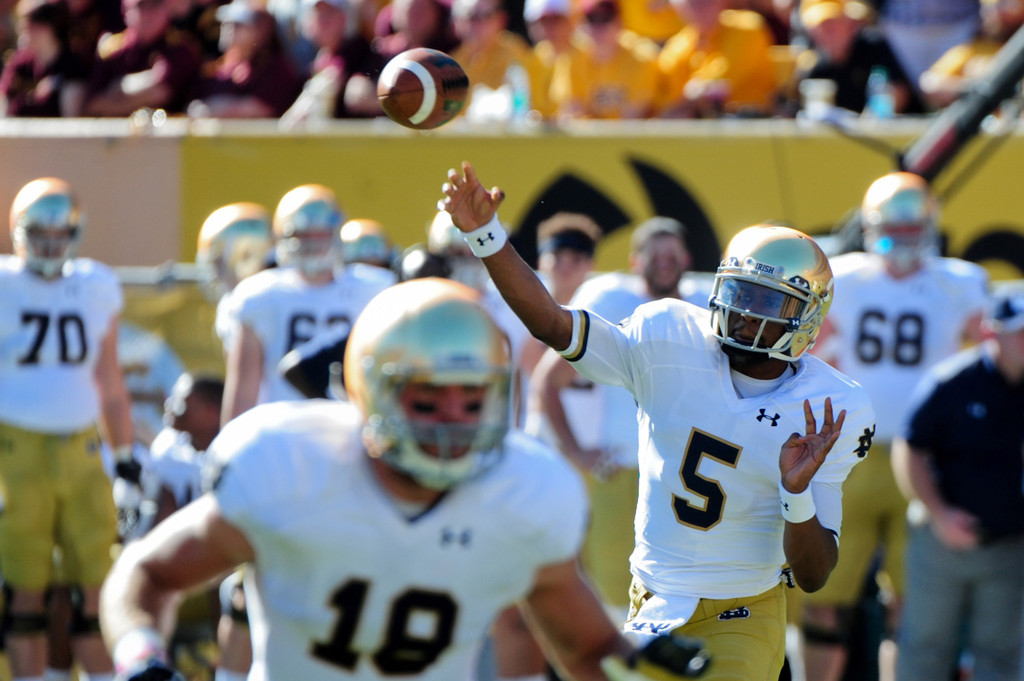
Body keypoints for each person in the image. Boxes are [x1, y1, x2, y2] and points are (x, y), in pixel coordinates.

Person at [98, 277, 713, 681]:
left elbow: (586, 647)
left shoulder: (523, 490)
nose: (453, 423)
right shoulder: (291, 464)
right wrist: (141, 654)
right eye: (427, 401)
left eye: (471, 401)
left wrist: (639, 656)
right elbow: (147, 574)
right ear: (373, 392)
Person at [439, 161, 876, 680]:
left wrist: (796, 493)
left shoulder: (829, 408)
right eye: (740, 292)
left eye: (768, 301)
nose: (745, 313)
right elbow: (554, 324)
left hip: (745, 608)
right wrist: (487, 237)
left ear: (807, 316)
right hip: (654, 601)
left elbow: (814, 575)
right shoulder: (667, 336)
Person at [802, 171, 989, 681]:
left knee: (912, 606)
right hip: (848, 453)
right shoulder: (845, 278)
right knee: (823, 598)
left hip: (924, 457)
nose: (903, 237)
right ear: (871, 226)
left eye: (912, 226)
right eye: (894, 227)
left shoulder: (958, 282)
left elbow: (992, 355)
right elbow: (806, 355)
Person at [0, 177, 140, 681]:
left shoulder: (96, 284)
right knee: (25, 591)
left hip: (82, 448)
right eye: (39, 233)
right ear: (19, 232)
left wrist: (125, 460)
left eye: (59, 233)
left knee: (98, 586)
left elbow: (110, 381)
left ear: (75, 234)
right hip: (15, 450)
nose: (49, 244)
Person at [526, 216, 699, 616]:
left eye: (672, 255)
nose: (664, 263)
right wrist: (577, 452)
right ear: (635, 262)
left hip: (690, 473)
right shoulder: (609, 302)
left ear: (687, 259)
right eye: (655, 255)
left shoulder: (705, 304)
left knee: (687, 602)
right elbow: (547, 381)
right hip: (623, 470)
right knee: (619, 605)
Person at [890, 288, 1024, 681]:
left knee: (1002, 654)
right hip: (942, 544)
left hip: (1010, 545)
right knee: (925, 648)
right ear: (992, 332)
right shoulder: (952, 382)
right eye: (1021, 333)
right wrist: (941, 514)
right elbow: (910, 448)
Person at [220, 183, 390, 423]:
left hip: (349, 427)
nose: (314, 242)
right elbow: (243, 392)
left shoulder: (375, 288)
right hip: (284, 427)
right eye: (304, 234)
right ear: (283, 237)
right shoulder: (258, 295)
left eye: (321, 233)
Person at [796, 0, 922, 117]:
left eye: (833, 22)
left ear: (849, 23)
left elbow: (897, 91)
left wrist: (870, 122)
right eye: (820, 25)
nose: (828, 30)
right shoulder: (813, 66)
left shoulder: (874, 46)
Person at [657, 0, 778, 118]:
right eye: (691, 2)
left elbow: (721, 84)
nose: (700, 5)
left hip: (749, 122)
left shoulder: (747, 27)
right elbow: (666, 98)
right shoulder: (677, 45)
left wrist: (691, 97)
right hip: (698, 126)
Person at [186, 0, 304, 119]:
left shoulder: (276, 67)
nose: (228, 29)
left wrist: (218, 107)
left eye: (237, 25)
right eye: (226, 23)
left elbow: (261, 108)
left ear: (260, 30)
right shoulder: (217, 69)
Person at [82, 0, 201, 116]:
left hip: (166, 126)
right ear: (126, 11)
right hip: (116, 126)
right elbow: (93, 104)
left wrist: (118, 89)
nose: (149, 14)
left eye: (156, 5)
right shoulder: (111, 48)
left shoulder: (181, 46)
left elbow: (159, 92)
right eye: (141, 6)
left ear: (167, 9)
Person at [548, 0, 661, 120]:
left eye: (605, 19)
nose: (599, 28)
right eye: (592, 19)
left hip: (631, 131)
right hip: (591, 131)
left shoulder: (641, 57)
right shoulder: (571, 59)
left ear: (619, 23)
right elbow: (572, 114)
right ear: (580, 25)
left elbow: (632, 119)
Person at [278, 0, 384, 127]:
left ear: (344, 18)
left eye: (329, 14)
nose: (322, 21)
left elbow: (359, 98)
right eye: (317, 14)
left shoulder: (361, 52)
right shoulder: (315, 60)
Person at [917, 0, 1024, 110]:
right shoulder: (972, 51)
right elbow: (929, 85)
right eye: (996, 7)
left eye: (1012, 6)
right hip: (983, 117)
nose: (1000, 13)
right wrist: (975, 87)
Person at [0, 0, 90, 117]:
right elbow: (4, 105)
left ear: (47, 29)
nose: (23, 33)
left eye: (29, 26)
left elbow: (72, 119)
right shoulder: (20, 63)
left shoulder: (72, 68)